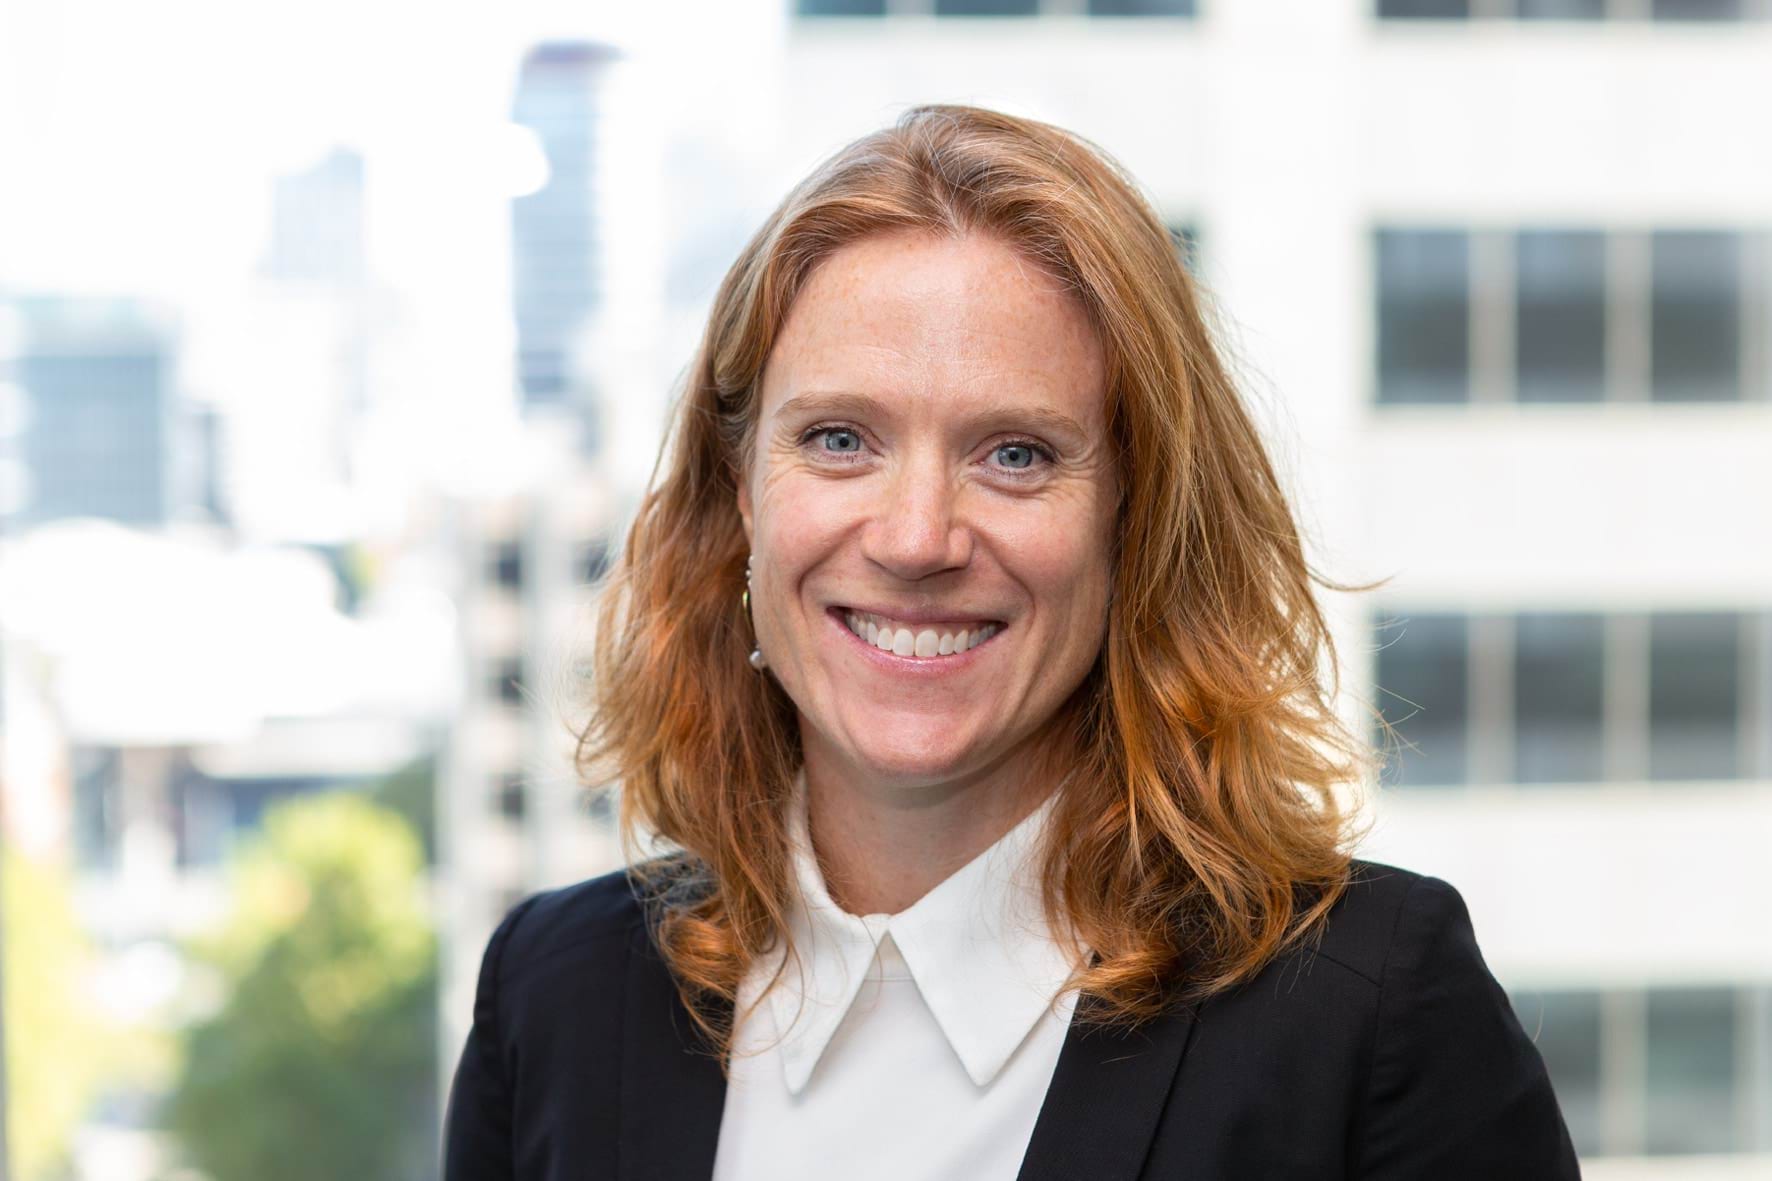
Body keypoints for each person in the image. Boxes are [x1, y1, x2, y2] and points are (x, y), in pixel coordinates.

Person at [442, 103, 1581, 1180]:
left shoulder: (1366, 1009)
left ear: (1135, 517)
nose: (916, 536)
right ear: (737, 489)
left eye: (1017, 454)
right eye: (839, 438)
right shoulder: (556, 993)